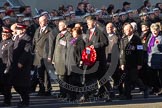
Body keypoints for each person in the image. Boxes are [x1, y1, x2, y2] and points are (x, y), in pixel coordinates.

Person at [82, 15, 108, 101]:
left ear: (94, 22)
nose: (88, 24)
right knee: (89, 77)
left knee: (102, 78)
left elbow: (105, 42)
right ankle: (86, 95)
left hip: (99, 59)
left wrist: (95, 46)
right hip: (90, 59)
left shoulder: (100, 31)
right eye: (87, 23)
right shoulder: (87, 31)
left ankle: (109, 93)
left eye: (89, 23)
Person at [120, 23, 148, 99]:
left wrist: (139, 63)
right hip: (126, 62)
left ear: (131, 29)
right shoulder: (123, 39)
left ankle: (144, 89)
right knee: (126, 79)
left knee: (134, 78)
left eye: (127, 29)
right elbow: (122, 52)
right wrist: (122, 63)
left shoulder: (137, 39)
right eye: (124, 29)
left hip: (134, 62)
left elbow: (140, 52)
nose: (125, 31)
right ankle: (127, 95)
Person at [33, 15, 55, 95]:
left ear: (46, 21)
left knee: (45, 73)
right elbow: (34, 41)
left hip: (45, 55)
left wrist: (50, 56)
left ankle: (47, 89)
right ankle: (42, 89)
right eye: (40, 21)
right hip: (37, 55)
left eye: (42, 21)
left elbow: (51, 44)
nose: (41, 22)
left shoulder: (49, 30)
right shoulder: (38, 29)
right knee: (39, 73)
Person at [12, 23, 32, 107]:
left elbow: (26, 52)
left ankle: (25, 101)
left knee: (23, 84)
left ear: (23, 30)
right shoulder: (17, 37)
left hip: (23, 65)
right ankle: (23, 99)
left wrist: (21, 62)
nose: (16, 30)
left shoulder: (27, 38)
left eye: (18, 29)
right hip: (15, 63)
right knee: (16, 83)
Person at [52, 20, 72, 98]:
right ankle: (62, 92)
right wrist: (53, 58)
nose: (59, 26)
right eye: (59, 25)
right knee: (60, 78)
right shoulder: (58, 35)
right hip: (57, 59)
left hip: (64, 60)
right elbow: (56, 48)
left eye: (60, 25)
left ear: (65, 26)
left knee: (64, 78)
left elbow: (70, 47)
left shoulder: (69, 35)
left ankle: (64, 93)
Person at [66, 27, 85, 101]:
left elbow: (82, 52)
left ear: (78, 33)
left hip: (76, 63)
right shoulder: (72, 40)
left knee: (75, 81)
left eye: (75, 32)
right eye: (73, 32)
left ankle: (79, 94)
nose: (73, 34)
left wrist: (81, 60)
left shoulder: (80, 41)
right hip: (70, 62)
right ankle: (72, 96)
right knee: (71, 81)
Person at [147, 23, 162, 95]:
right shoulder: (150, 37)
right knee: (152, 76)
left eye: (156, 30)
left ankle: (160, 89)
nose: (155, 31)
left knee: (160, 76)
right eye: (153, 30)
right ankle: (155, 88)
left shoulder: (161, 37)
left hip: (159, 60)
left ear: (159, 29)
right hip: (151, 60)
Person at [0, 27, 13, 107]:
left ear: (9, 34)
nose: (3, 36)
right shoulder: (2, 42)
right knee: (2, 85)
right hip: (1, 67)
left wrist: (8, 68)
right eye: (2, 34)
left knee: (7, 85)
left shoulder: (11, 43)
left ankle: (7, 101)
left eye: (5, 34)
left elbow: (10, 58)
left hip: (6, 68)